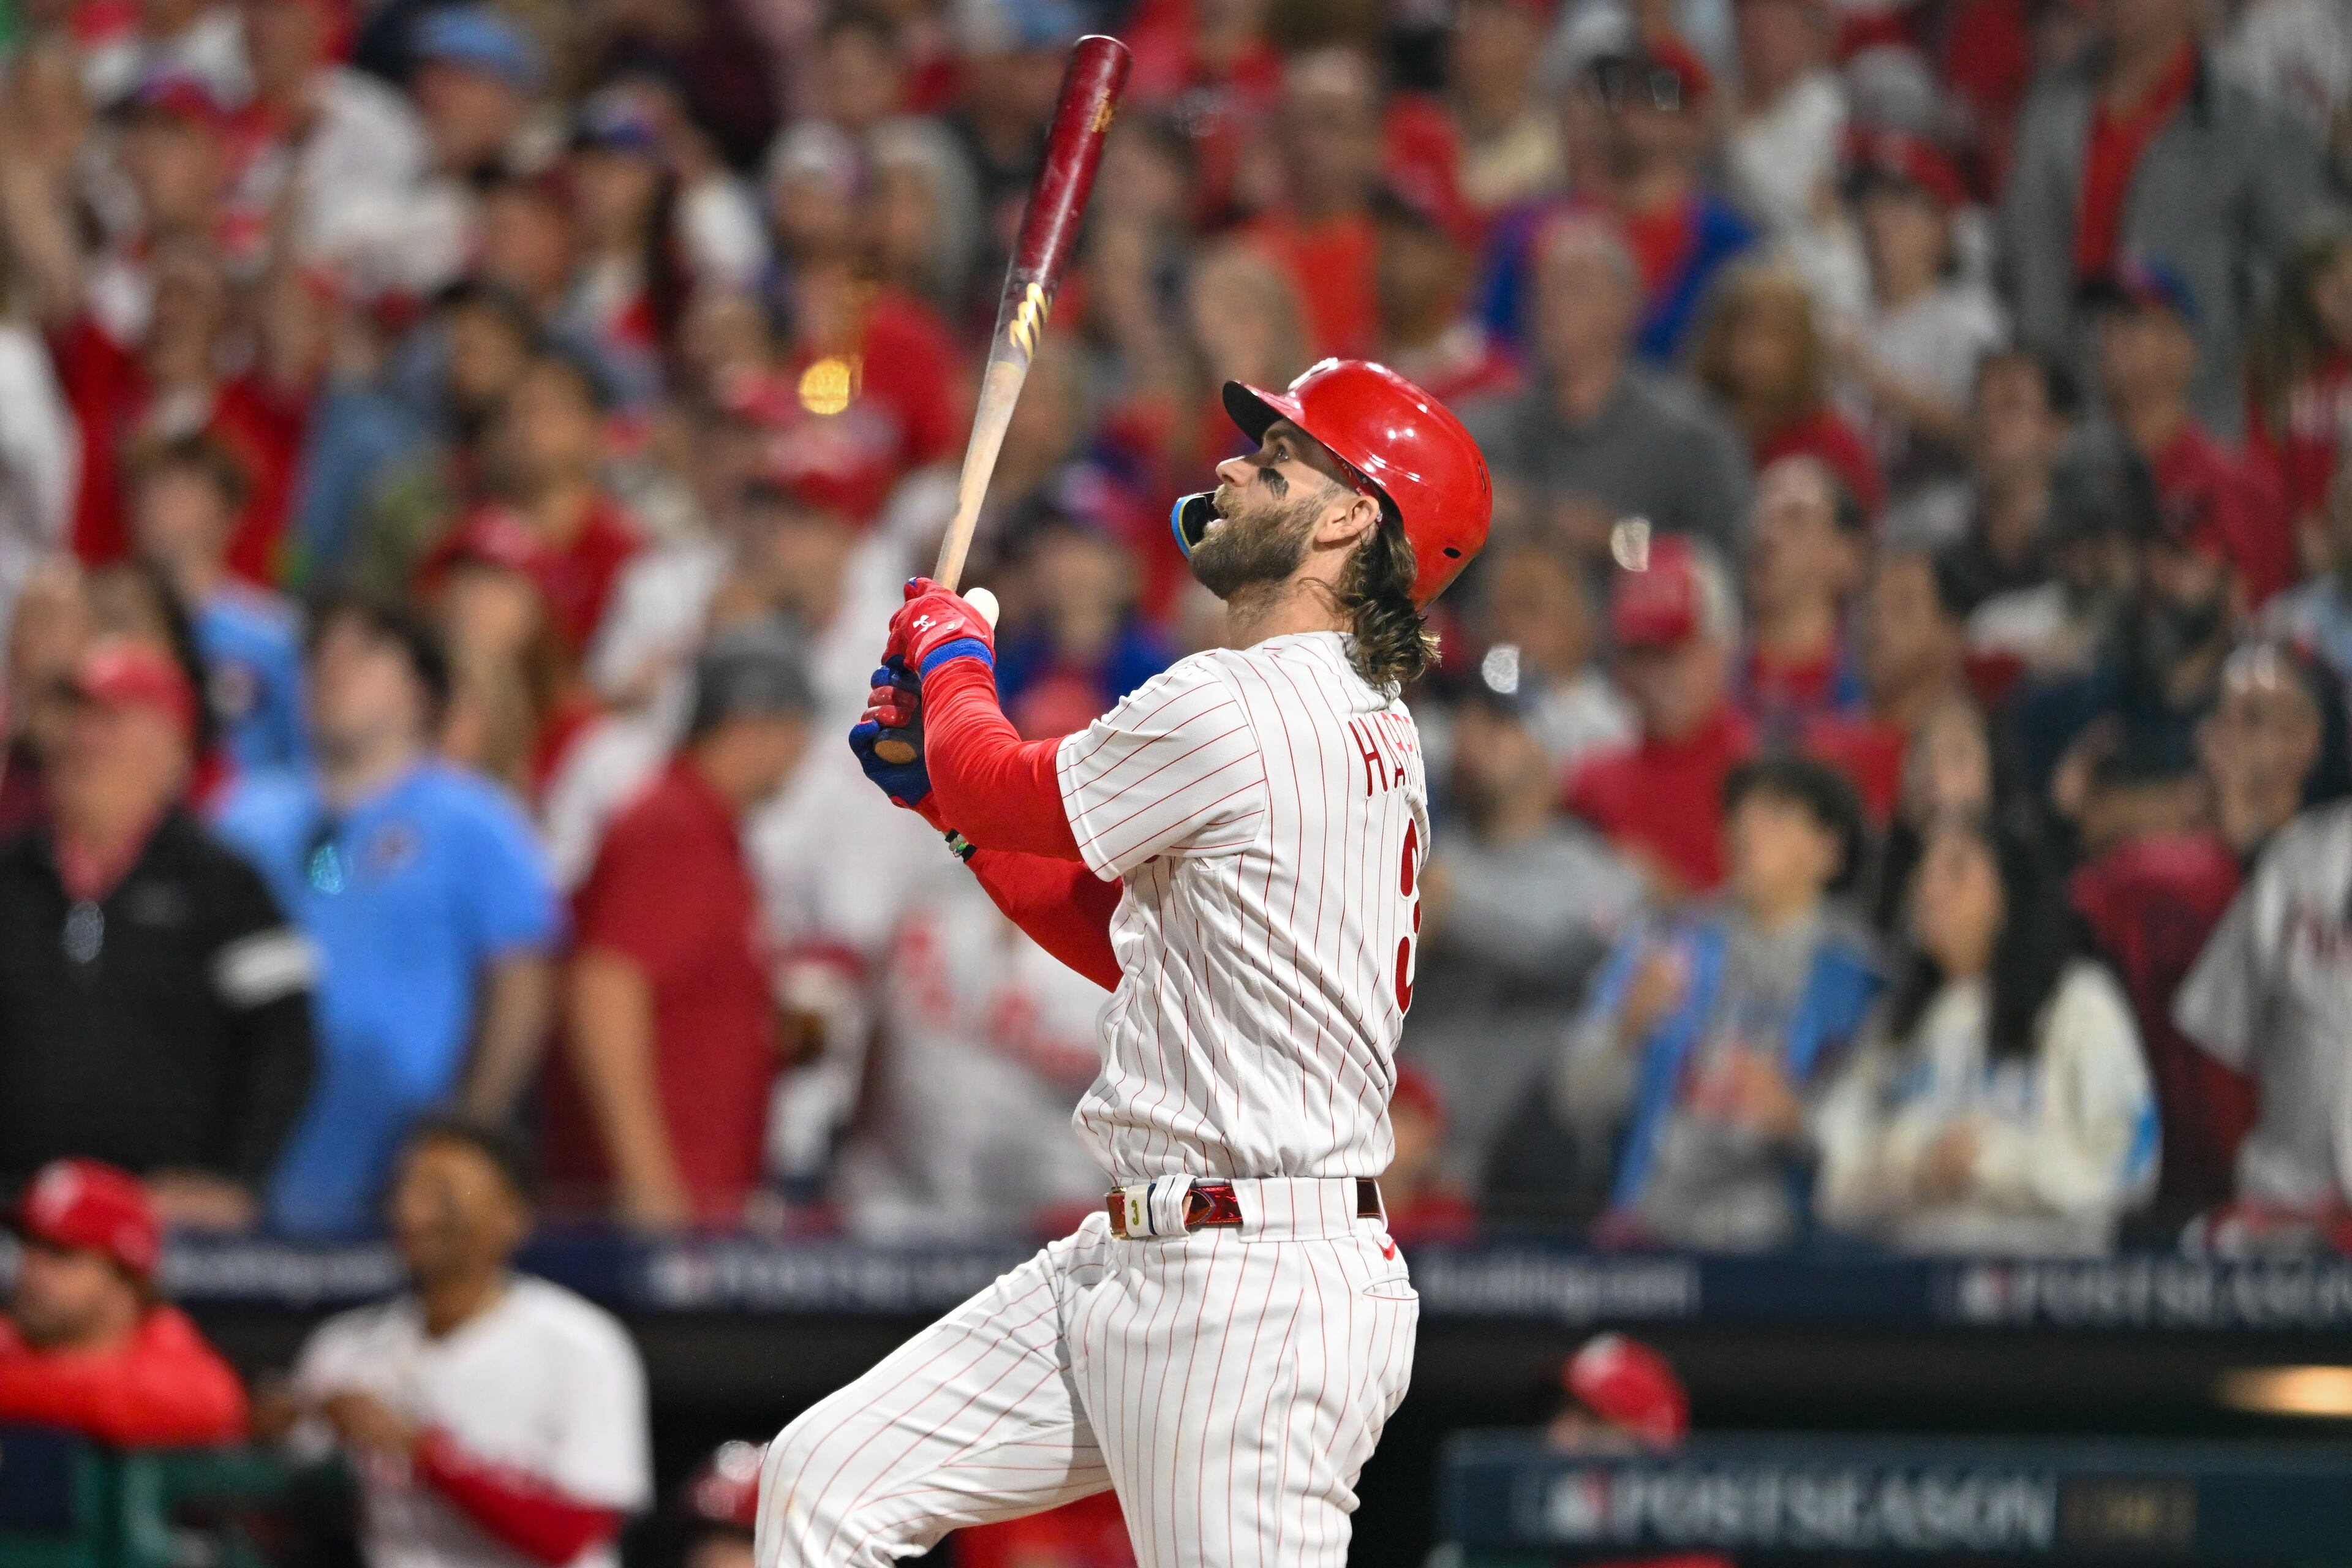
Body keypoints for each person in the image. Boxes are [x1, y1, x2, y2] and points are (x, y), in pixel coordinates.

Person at [771, 358, 1489, 1564]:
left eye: (1274, 463)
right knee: (824, 1481)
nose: (1228, 468)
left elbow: (1002, 774)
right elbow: (1121, 939)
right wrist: (948, 810)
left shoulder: (1259, 704)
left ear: (1354, 515)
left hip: (1253, 1286)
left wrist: (952, 652)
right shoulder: (1335, 715)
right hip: (1145, 1254)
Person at [214, 596, 560, 1236]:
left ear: (420, 692)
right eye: (321, 654)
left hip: (401, 1159)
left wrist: (468, 1132)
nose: (334, 670)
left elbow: (519, 982)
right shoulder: (248, 814)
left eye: (366, 654)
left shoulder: (473, 820)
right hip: (250, 1151)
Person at [0, 639, 314, 1228]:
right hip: (16, 1224)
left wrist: (234, 1180)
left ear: (172, 747)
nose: (85, 739)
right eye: (77, 717)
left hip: (166, 1231)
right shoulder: (11, 878)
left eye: (113, 720)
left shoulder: (227, 887)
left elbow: (284, 1045)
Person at [271, 1117, 650, 1568]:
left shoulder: (582, 1345)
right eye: (406, 1191)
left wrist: (423, 1453)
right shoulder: (344, 1348)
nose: (414, 1212)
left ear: (514, 1217)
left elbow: (574, 1533)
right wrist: (269, 1429)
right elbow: (281, 1511)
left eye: (443, 1196)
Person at [544, 625, 814, 1227]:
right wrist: (648, 1186)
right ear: (751, 725)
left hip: (704, 1195)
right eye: (796, 731)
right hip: (651, 1210)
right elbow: (604, 992)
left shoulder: (706, 829)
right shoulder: (674, 829)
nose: (801, 754)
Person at [1555, 754, 1879, 1251]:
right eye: (1738, 816)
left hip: (1794, 1243)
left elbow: (1878, 1137)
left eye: (1775, 815)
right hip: (1653, 1228)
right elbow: (1574, 1097)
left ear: (1829, 851)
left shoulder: (1862, 980)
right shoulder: (1665, 943)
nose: (1747, 831)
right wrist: (1626, 1031)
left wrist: (1799, 1122)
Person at [1818, 813, 2157, 1253]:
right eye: (1924, 870)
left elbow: (2129, 1167)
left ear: (2011, 893)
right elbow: (1834, 1178)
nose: (1928, 888)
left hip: (2045, 1285)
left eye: (1956, 871)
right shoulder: (1895, 1022)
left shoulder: (2079, 1005)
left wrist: (1988, 1158)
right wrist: (1915, 1166)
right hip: (1907, 1289)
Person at [2002, 0, 2324, 437]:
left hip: (2194, 415)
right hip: (2061, 403)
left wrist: (2201, 354)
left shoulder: (2256, 120)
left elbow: (2295, 268)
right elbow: (2020, 249)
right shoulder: (2050, 104)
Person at [1408, 655, 1645, 1200]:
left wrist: (1452, 909)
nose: (1475, 736)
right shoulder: (1427, 857)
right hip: (1412, 1152)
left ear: (1552, 751)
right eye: (1469, 719)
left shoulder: (1598, 871)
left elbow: (1565, 948)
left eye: (1501, 724)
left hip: (1526, 1173)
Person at [1470, 214, 1752, 560]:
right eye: (1541, 289)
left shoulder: (1689, 437)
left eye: (1574, 288)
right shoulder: (1484, 437)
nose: (1550, 306)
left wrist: (1618, 541)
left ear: (1626, 307)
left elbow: (1725, 563)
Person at [0, 1158, 247, 1446]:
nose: (33, 1272)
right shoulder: (10, 1339)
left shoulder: (171, 1352)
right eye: (29, 1247)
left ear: (126, 1279)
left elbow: (215, 1405)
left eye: (61, 1254)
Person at [1567, 537, 1757, 898]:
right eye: (1641, 653)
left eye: (1675, 649)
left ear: (1724, 645)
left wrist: (1674, 899)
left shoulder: (1762, 776)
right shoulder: (1589, 785)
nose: (1656, 673)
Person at [1836, 130, 2008, 502]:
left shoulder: (1972, 320)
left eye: (1901, 207)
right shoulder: (1843, 312)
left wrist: (1876, 378)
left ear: (1943, 229)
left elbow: (1983, 429)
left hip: (1942, 513)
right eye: (1871, 204)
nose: (1879, 221)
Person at [127, 433, 307, 774]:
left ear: (230, 517)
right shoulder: (112, 622)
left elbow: (305, 755)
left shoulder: (274, 635)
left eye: (178, 493)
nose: (157, 507)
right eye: (147, 494)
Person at [1692, 260, 1886, 519]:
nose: (1759, 351)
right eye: (1747, 331)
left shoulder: (1832, 443)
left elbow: (1858, 541)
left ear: (1804, 348)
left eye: (1777, 335)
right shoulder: (1690, 429)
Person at [1740, 454, 1868, 737]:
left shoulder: (1874, 691)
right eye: (1761, 517)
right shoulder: (1706, 678)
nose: (1767, 535)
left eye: (1795, 518)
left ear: (1849, 557)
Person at [2245, 219, 2352, 547]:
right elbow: (2262, 469)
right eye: (2337, 294)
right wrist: (2297, 527)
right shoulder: (2277, 371)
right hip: (2295, 545)